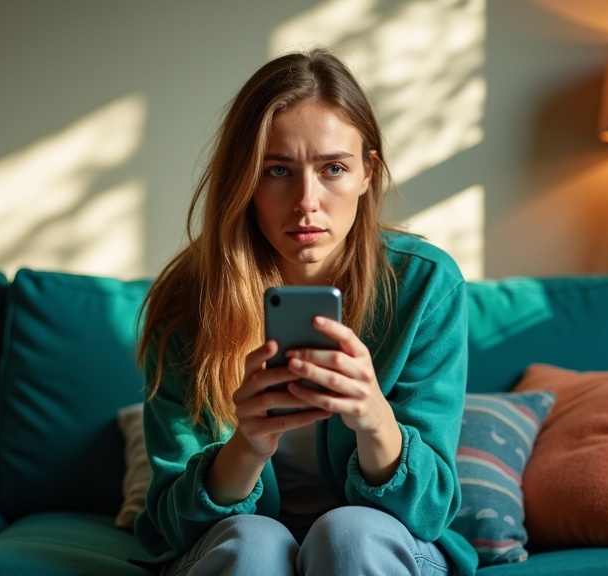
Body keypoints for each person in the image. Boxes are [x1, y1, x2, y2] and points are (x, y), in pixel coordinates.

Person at [134, 48, 476, 576]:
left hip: (380, 543)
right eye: (277, 170)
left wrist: (375, 421)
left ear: (368, 172)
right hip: (235, 547)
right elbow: (171, 525)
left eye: (333, 168)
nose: (306, 201)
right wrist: (247, 445)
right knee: (253, 544)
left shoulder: (425, 285)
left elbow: (430, 510)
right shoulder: (190, 298)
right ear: (245, 179)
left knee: (350, 534)